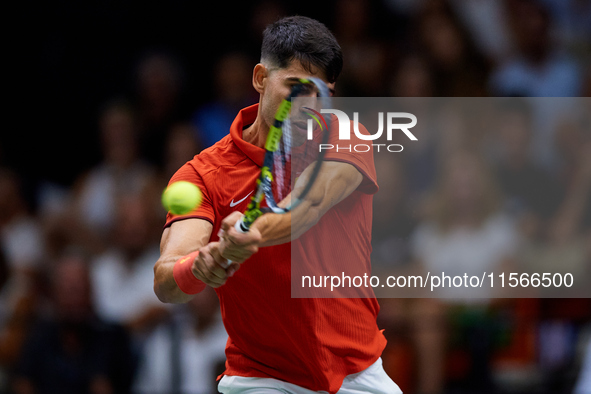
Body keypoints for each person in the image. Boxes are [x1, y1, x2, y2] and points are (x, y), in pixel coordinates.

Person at [153, 16, 400, 394]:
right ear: (260, 78)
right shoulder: (202, 174)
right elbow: (166, 281)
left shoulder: (346, 134)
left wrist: (246, 234)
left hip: (358, 372)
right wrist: (198, 266)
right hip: (263, 379)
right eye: (296, 87)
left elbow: (307, 204)